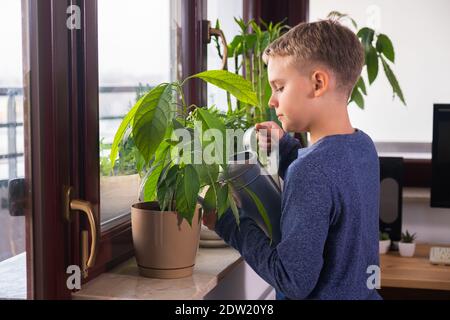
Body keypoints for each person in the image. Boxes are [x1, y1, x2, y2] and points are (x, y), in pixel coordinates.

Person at [203, 18, 382, 300]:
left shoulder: (310, 170)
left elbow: (292, 281)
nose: (272, 101)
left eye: (279, 86)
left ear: (318, 83)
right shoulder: (363, 147)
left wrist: (227, 223)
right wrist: (287, 151)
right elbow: (328, 194)